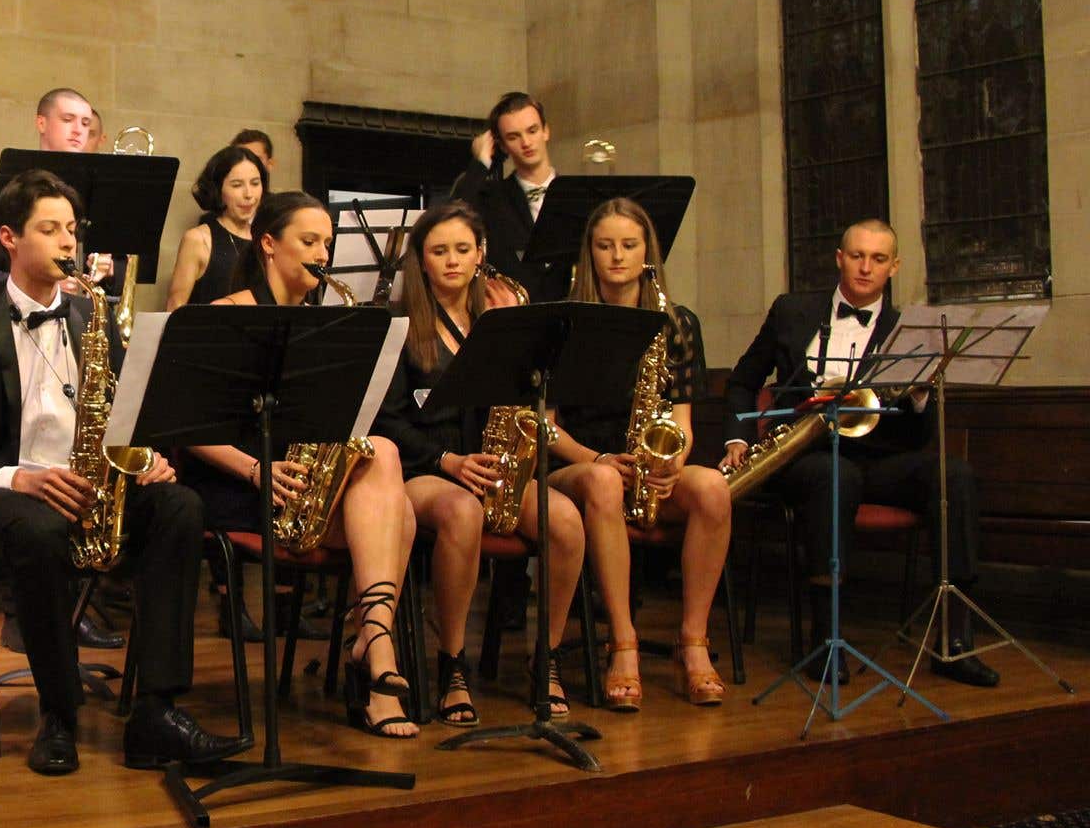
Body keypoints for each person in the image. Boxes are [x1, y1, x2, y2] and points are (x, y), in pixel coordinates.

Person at [0, 169, 248, 776]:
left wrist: (147, 461)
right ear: (9, 238)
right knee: (37, 529)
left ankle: (156, 713)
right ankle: (59, 714)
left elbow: (130, 417)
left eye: (72, 229)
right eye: (50, 229)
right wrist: (19, 476)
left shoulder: (94, 320)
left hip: (89, 487)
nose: (69, 243)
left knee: (180, 507)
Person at [179, 192, 418, 739]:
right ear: (268, 243)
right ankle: (375, 655)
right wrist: (256, 470)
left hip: (300, 485)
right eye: (309, 241)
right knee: (398, 514)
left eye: (328, 244)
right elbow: (187, 426)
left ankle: (372, 640)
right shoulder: (223, 316)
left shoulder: (328, 324)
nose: (322, 254)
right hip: (236, 484)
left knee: (382, 455)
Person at [721, 219, 997, 687]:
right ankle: (824, 641)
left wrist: (919, 395)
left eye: (878, 259)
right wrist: (736, 439)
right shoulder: (792, 311)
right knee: (836, 477)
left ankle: (955, 641)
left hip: (880, 458)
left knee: (954, 476)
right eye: (857, 256)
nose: (865, 267)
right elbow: (743, 381)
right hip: (804, 457)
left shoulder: (910, 330)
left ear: (894, 266)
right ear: (839, 258)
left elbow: (922, 434)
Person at [373, 201, 588, 725]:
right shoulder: (397, 325)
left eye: (462, 250)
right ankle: (453, 663)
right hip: (425, 470)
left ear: (481, 255)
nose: (452, 261)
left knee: (564, 520)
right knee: (462, 514)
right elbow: (385, 422)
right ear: (420, 260)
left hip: (492, 468)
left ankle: (548, 657)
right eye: (439, 251)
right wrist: (447, 460)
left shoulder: (500, 321)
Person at [543, 198, 733, 708]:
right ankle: (622, 642)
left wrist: (671, 459)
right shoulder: (564, 321)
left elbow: (684, 423)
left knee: (713, 487)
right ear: (589, 253)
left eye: (629, 245)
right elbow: (544, 426)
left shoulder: (677, 323)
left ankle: (693, 641)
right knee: (604, 482)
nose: (617, 257)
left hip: (647, 467)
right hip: (579, 467)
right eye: (605, 246)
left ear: (648, 251)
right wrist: (597, 458)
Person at [0, 87, 99, 299]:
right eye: (68, 119)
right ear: (41, 123)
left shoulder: (99, 191)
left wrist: (109, 271)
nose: (79, 130)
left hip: (83, 322)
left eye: (85, 123)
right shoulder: (6, 188)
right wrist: (37, 285)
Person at [449, 91, 559, 301]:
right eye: (513, 136)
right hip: (517, 320)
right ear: (501, 144)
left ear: (546, 131)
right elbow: (452, 220)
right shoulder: (492, 198)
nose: (526, 142)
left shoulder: (574, 193)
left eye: (532, 130)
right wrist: (481, 163)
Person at [164, 145, 267, 310]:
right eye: (236, 185)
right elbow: (175, 307)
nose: (249, 194)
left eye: (255, 183)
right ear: (218, 190)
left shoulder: (266, 238)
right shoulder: (198, 239)